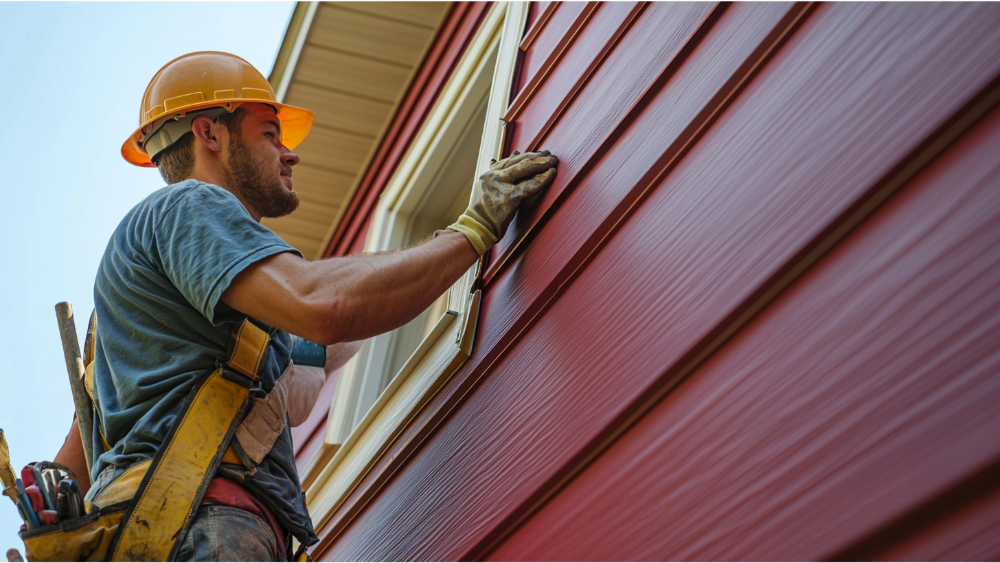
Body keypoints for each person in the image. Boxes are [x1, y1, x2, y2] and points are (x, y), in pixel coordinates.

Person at [52, 52, 557, 561]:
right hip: (203, 525)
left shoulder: (144, 315)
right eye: (270, 133)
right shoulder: (189, 205)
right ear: (210, 134)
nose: (289, 154)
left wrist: (424, 263)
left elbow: (71, 470)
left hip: (160, 529)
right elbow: (322, 304)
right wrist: (471, 232)